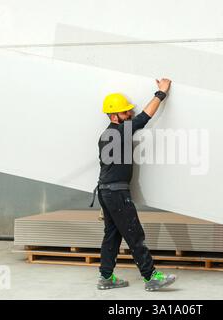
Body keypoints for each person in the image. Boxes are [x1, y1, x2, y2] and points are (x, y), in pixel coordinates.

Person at [92, 78, 177, 291]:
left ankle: (106, 277)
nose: (129, 114)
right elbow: (144, 117)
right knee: (134, 233)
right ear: (114, 116)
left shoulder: (106, 135)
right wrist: (161, 93)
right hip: (116, 193)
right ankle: (151, 277)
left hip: (106, 191)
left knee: (112, 235)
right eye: (125, 112)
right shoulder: (119, 132)